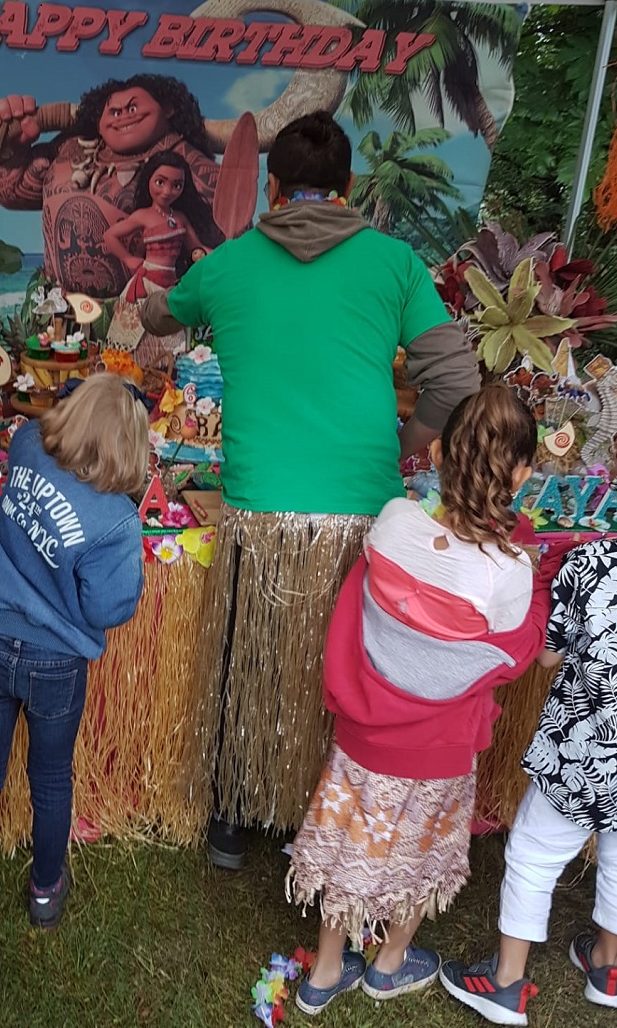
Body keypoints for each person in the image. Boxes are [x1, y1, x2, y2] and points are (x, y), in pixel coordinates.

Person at [139, 110, 481, 867]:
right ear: (348, 187)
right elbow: (456, 377)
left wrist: (160, 299)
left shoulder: (228, 265)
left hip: (263, 512)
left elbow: (158, 310)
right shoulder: (393, 263)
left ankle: (234, 816)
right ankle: (318, 809)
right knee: (345, 664)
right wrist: (407, 442)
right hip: (365, 512)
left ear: (271, 185)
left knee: (250, 661)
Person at [287, 385, 560, 1015]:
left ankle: (326, 971)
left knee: (350, 840)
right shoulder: (509, 574)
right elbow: (517, 656)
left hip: (364, 733)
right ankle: (388, 963)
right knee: (424, 850)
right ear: (519, 473)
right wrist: (533, 567)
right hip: (439, 748)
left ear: (439, 454)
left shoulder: (393, 524)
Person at [440, 418, 617, 1026]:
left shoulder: (596, 564)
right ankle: (606, 968)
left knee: (532, 850)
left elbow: (550, 654)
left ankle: (505, 982)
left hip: (587, 746)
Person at [0, 373, 148, 939]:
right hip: (55, 661)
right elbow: (109, 608)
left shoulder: (30, 445)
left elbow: (44, 419)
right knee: (52, 779)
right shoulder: (116, 521)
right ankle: (44, 892)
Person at [0, 74, 221, 298]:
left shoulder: (191, 164)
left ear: (167, 108)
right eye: (113, 111)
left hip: (145, 309)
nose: (122, 117)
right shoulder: (71, 148)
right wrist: (9, 146)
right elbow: (12, 192)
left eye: (132, 107)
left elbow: (221, 236)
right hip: (56, 308)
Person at [104, 150, 213, 366]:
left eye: (176, 185)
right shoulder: (143, 216)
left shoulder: (180, 218)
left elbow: (195, 246)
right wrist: (127, 259)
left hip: (169, 285)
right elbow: (110, 235)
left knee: (170, 339)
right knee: (137, 339)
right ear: (149, 181)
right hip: (145, 285)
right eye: (160, 182)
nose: (167, 191)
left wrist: (216, 254)